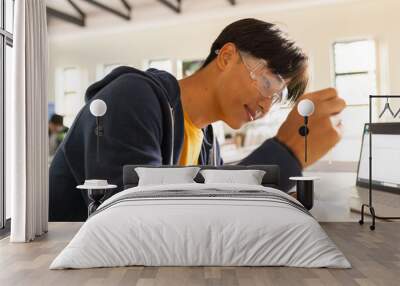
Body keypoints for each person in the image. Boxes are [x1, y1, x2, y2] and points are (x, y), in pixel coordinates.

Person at [49, 18, 345, 221]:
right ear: (227, 56)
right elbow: (136, 220)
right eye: (268, 83)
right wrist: (287, 152)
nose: (267, 106)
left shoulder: (207, 141)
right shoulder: (133, 97)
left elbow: (203, 209)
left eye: (277, 98)